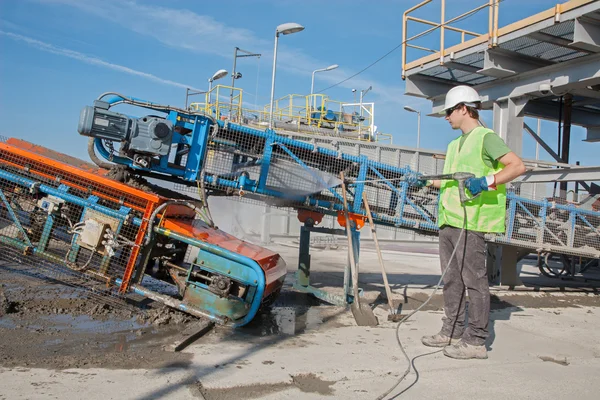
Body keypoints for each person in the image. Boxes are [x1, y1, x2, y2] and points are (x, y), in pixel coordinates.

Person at [411, 85, 526, 360]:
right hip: (449, 221)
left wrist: (485, 181)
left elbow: (517, 166)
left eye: (450, 111)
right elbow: (451, 181)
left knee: (474, 281)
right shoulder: (454, 145)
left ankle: (475, 342)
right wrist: (425, 182)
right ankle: (450, 331)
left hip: (471, 223)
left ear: (464, 109)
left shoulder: (486, 138)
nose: (447, 116)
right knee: (451, 281)